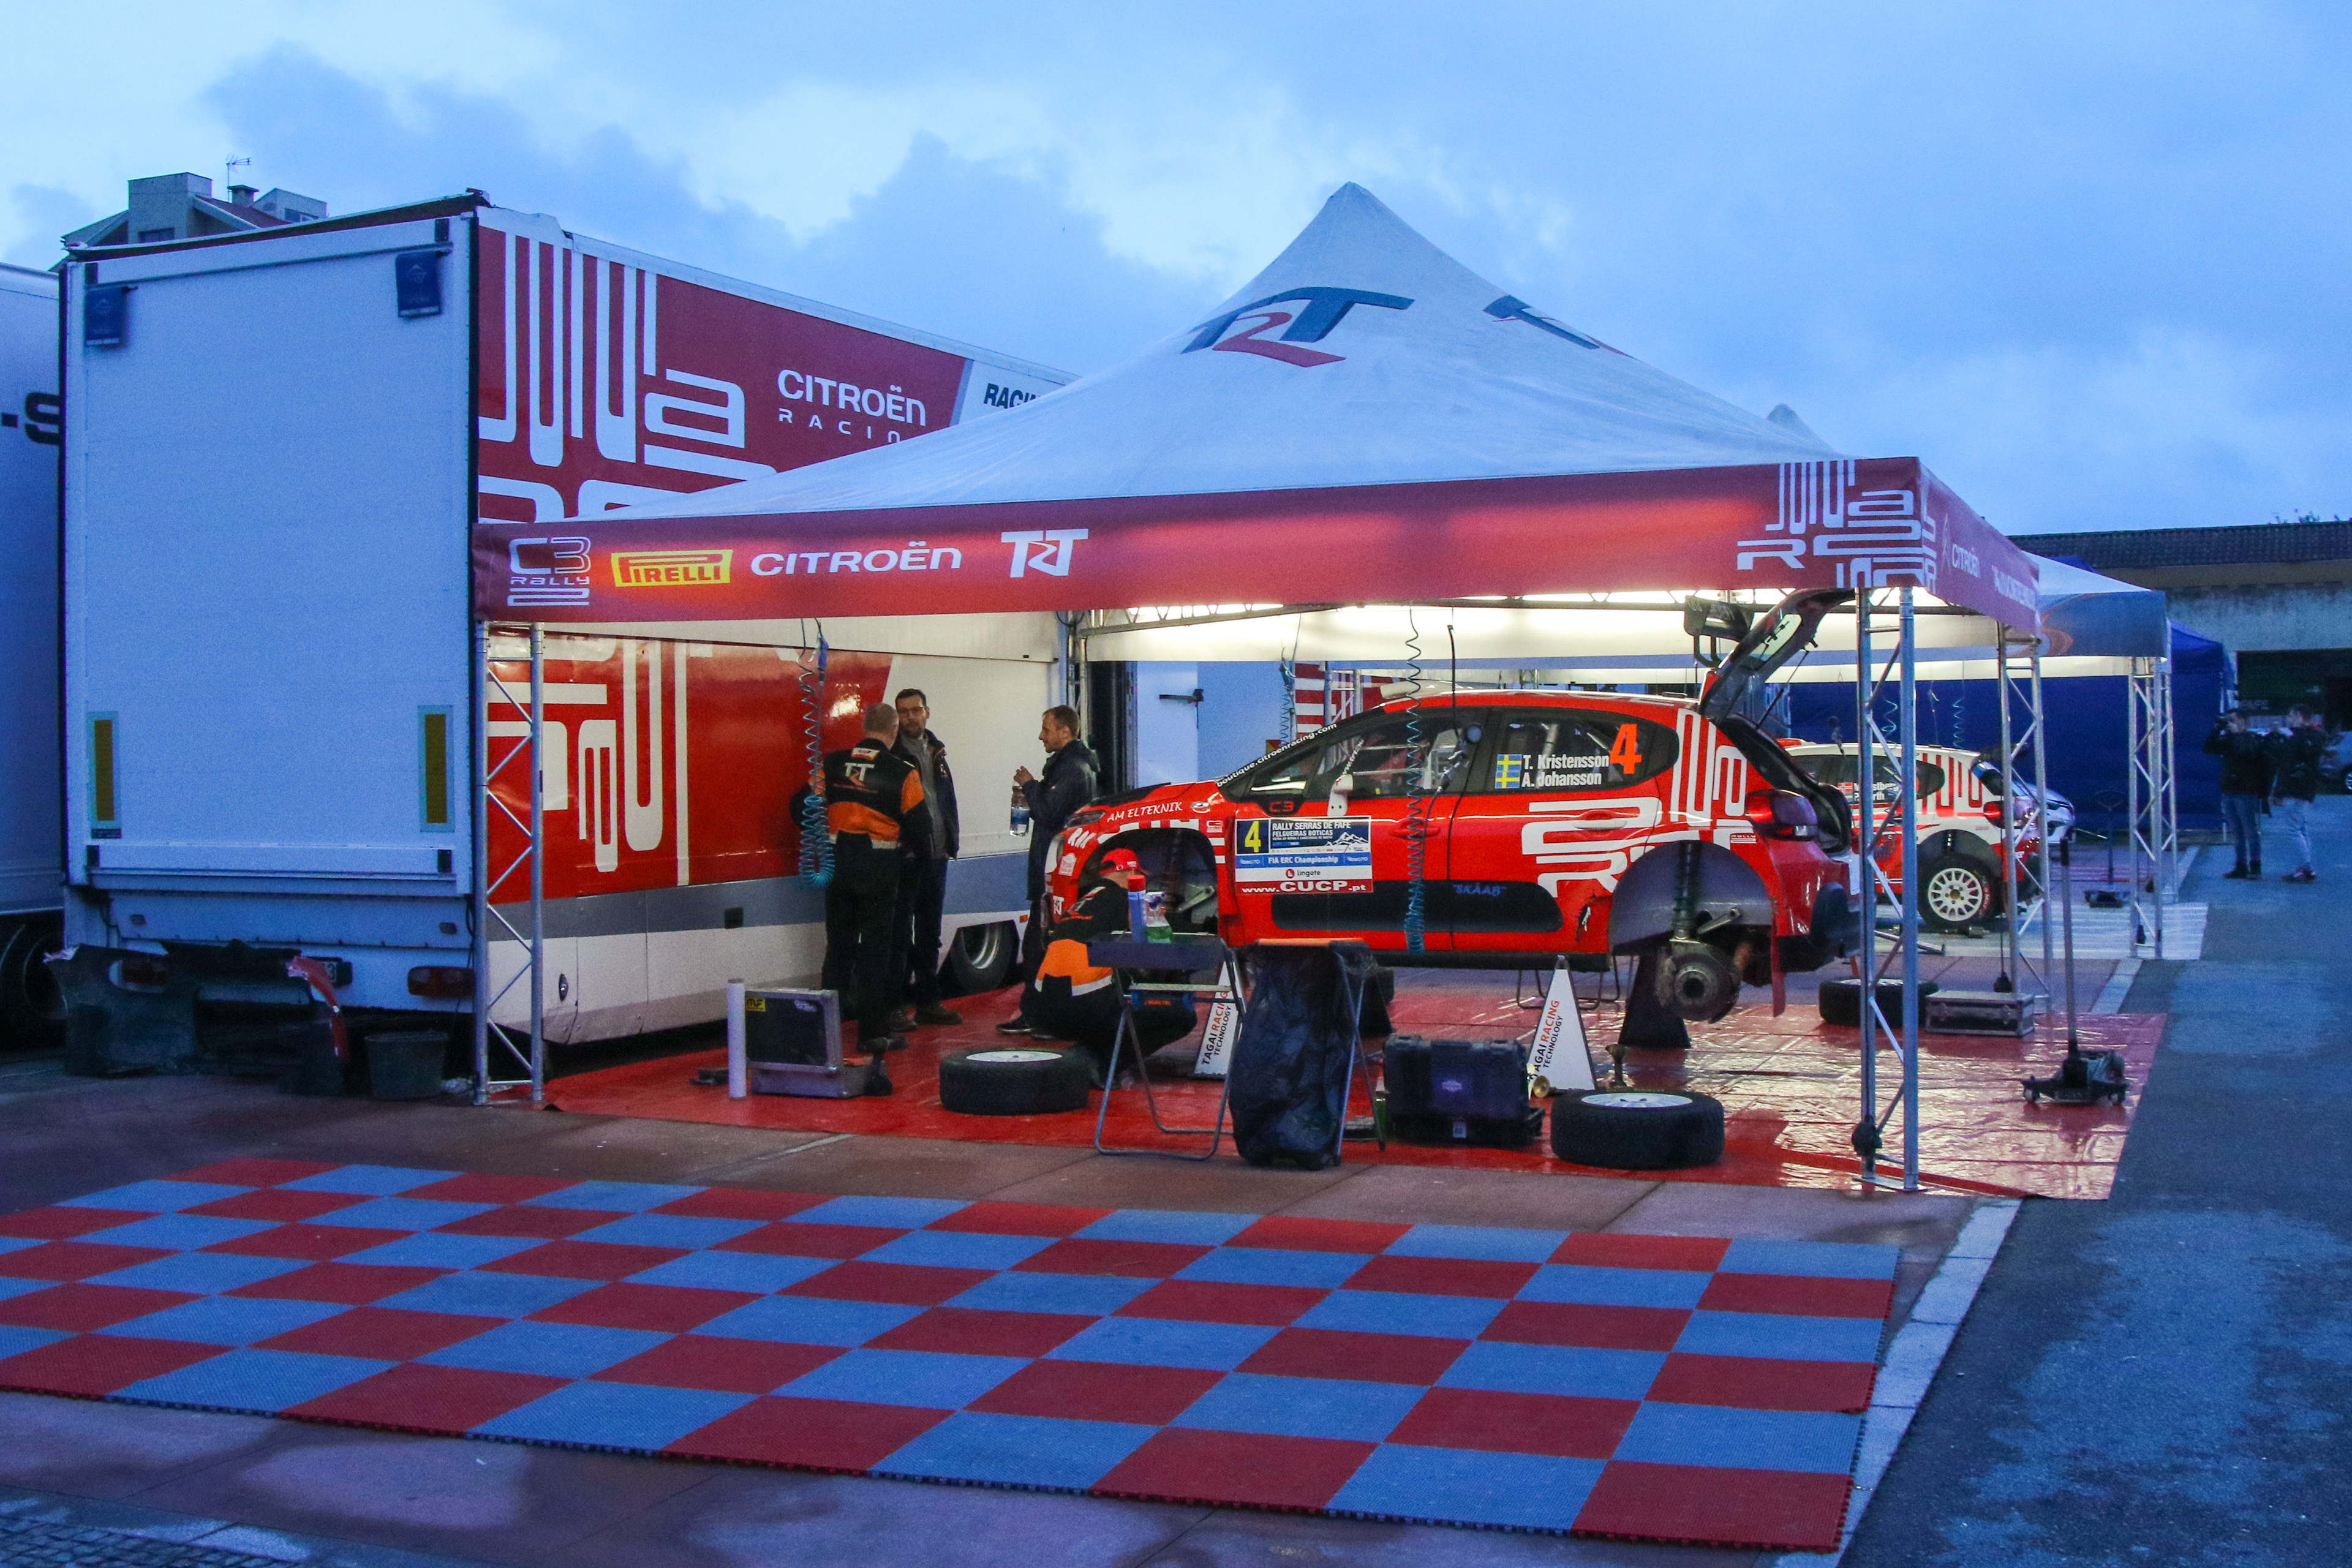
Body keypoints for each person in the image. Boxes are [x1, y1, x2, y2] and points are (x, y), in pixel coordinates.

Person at [804, 701, 930, 1058]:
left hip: (837, 865)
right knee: (876, 951)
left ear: (864, 728)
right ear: (893, 731)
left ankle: (825, 1033)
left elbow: (801, 806)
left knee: (838, 948)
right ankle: (872, 1034)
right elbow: (922, 830)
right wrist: (914, 857)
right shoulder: (902, 772)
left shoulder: (831, 764)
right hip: (879, 867)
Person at [1017, 848, 1196, 1084]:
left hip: (1044, 1009)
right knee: (1182, 1017)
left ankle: (1085, 1055)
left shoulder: (1081, 902)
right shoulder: (1127, 899)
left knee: (1112, 988)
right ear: (1131, 873)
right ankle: (1102, 1063)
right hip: (1085, 1006)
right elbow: (1169, 933)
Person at [998, 705, 1099, 1036]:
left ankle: (1039, 1016)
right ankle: (1046, 1015)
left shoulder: (1071, 769)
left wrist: (1029, 786)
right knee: (1045, 944)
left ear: (1065, 732)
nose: (1041, 736)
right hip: (1063, 870)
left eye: (1046, 729)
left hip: (1055, 872)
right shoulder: (1076, 766)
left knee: (1038, 946)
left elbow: (1049, 814)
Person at [889, 688, 963, 1026]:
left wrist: (950, 840)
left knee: (930, 933)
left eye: (915, 710)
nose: (910, 717)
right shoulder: (893, 755)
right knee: (899, 935)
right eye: (903, 712)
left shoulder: (937, 751)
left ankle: (929, 1002)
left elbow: (944, 801)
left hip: (937, 855)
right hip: (905, 858)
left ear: (927, 712)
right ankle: (895, 1006)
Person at [2204, 709, 2272, 879]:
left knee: (2250, 831)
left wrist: (2237, 735)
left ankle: (2255, 866)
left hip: (2246, 792)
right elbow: (2209, 748)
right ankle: (2240, 866)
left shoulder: (2253, 739)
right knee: (2236, 832)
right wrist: (2216, 730)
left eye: (2232, 720)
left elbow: (2247, 752)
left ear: (2243, 722)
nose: (2230, 723)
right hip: (2229, 791)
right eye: (2228, 720)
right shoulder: (2228, 739)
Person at [2266, 704, 2327, 883]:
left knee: (2294, 829)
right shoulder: (2311, 736)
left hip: (2297, 788)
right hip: (2303, 787)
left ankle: (2304, 867)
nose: (2289, 719)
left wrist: (2279, 792)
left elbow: (2289, 763)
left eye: (2292, 716)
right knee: (2301, 827)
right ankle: (2306, 867)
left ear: (2299, 716)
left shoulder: (2304, 737)